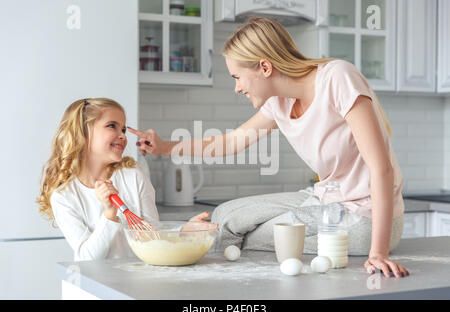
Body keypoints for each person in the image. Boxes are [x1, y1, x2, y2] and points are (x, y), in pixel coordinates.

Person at [128, 17, 409, 278]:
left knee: (236, 235)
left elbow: (380, 168)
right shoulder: (279, 102)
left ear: (264, 67)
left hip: (363, 217)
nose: (237, 88)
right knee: (225, 216)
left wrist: (378, 253)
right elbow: (229, 142)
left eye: (237, 77)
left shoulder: (337, 78)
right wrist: (165, 147)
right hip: (324, 201)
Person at [37, 98, 213, 261]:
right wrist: (109, 214)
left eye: (123, 129)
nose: (122, 135)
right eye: (112, 126)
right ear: (83, 132)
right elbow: (86, 258)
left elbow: (153, 235)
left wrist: (184, 231)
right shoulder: (64, 196)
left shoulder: (133, 176)